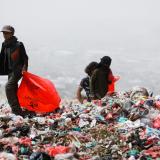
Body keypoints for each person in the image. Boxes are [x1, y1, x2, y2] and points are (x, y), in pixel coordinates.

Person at [0, 25, 35, 117]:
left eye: (7, 33)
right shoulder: (4, 45)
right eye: (4, 33)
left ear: (12, 33)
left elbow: (25, 58)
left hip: (18, 70)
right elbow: (2, 58)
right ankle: (19, 110)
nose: (4, 35)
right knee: (13, 89)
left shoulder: (19, 45)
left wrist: (24, 69)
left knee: (8, 87)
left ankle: (16, 111)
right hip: (10, 71)